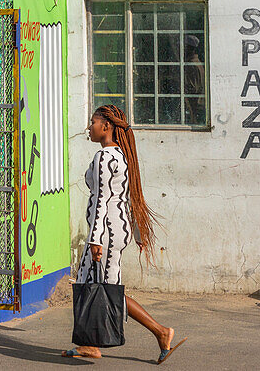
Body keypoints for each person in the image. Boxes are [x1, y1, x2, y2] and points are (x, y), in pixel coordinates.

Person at [63, 105, 187, 364]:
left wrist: (95, 239)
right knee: (93, 285)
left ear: (106, 126)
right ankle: (89, 344)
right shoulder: (120, 155)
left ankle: (161, 332)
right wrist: (136, 233)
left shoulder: (105, 158)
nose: (89, 127)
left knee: (107, 291)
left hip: (105, 233)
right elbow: (127, 197)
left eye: (93, 122)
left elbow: (101, 201)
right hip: (115, 230)